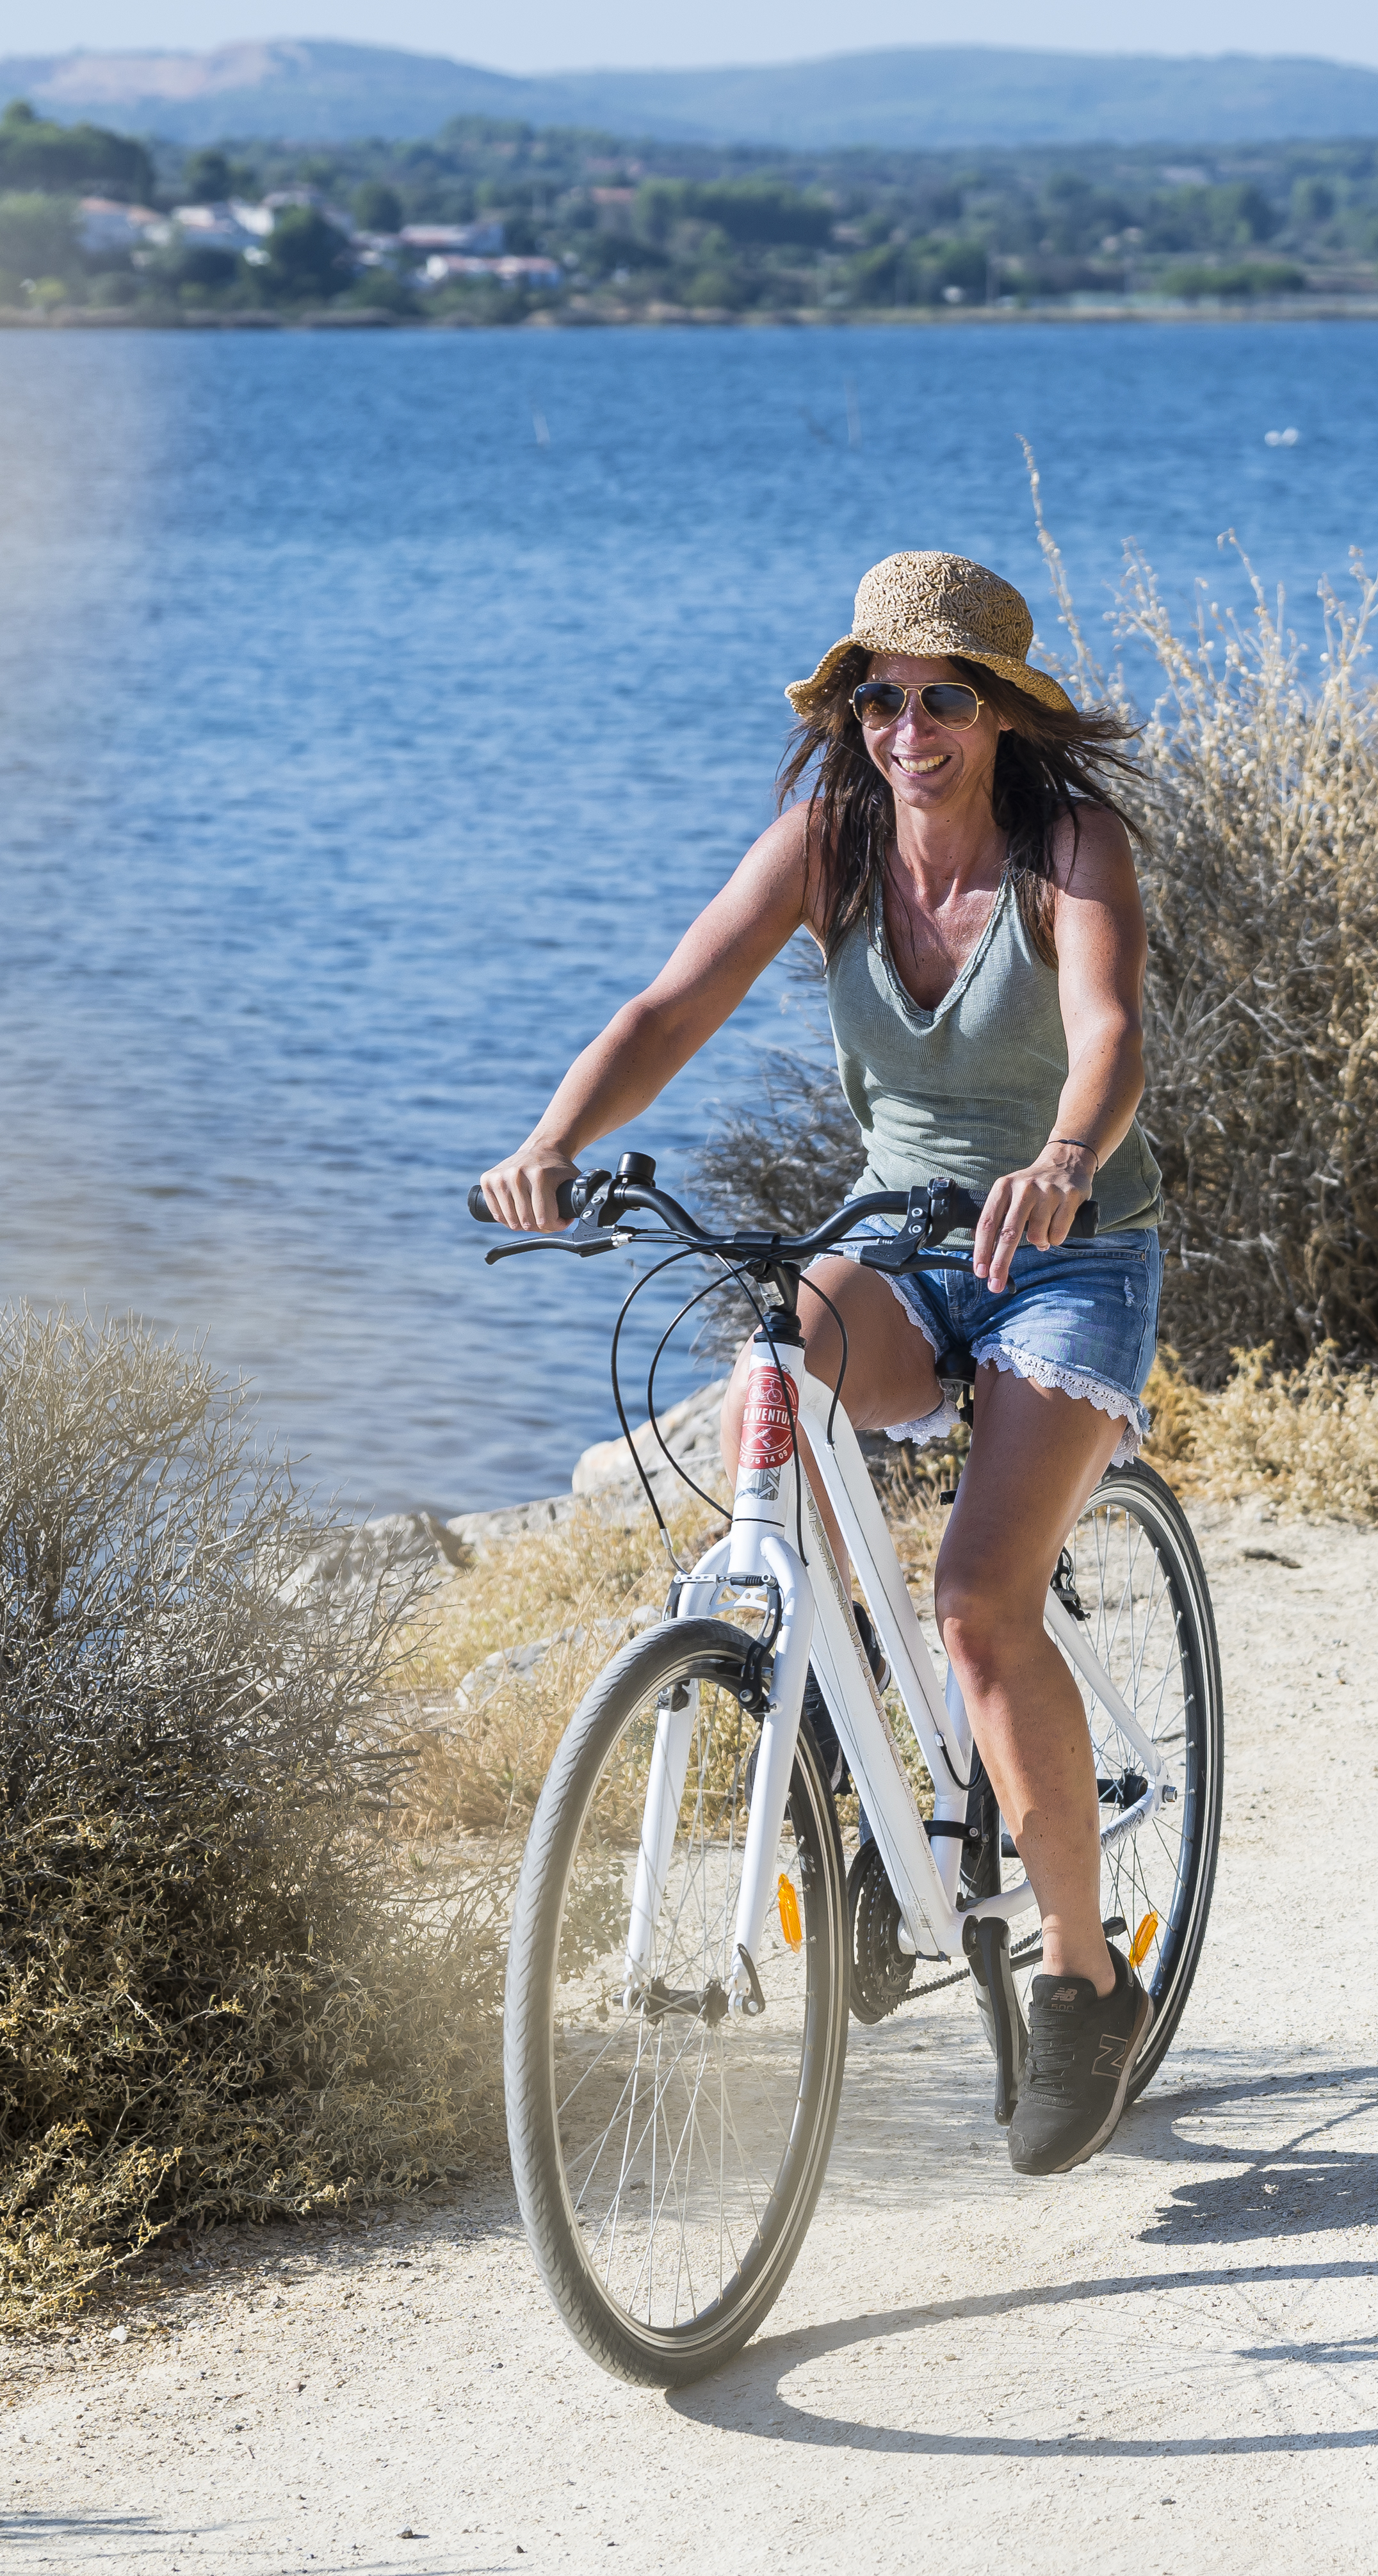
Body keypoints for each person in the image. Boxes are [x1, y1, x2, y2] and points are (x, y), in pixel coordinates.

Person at [473, 549, 1171, 2177]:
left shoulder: (1069, 843)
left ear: (997, 714)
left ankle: (1080, 1982)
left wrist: (1066, 1153)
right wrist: (555, 1138)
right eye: (879, 697)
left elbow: (1111, 1036)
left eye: (942, 699)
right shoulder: (828, 845)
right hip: (908, 1227)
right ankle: (866, 1765)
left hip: (1068, 1248)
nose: (906, 730)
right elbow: (668, 1004)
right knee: (771, 1375)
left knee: (982, 1607)